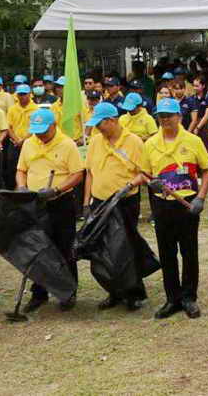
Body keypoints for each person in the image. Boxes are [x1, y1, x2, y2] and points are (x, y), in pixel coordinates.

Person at [142, 98, 208, 320]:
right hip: (162, 205)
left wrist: (201, 197)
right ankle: (172, 298)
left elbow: (207, 170)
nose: (165, 120)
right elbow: (145, 173)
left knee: (189, 251)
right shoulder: (150, 144)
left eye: (169, 115)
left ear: (179, 116)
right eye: (161, 116)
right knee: (167, 252)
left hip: (187, 203)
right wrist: (150, 183)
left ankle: (189, 297)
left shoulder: (193, 141)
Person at [16, 108, 84, 311]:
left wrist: (57, 189)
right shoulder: (29, 143)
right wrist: (22, 187)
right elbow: (21, 170)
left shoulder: (67, 144)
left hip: (60, 203)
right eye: (36, 131)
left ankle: (68, 292)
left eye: (44, 131)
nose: (40, 135)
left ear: (54, 126)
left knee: (64, 248)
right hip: (36, 204)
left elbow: (77, 174)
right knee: (38, 248)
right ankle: (39, 293)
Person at [83, 102, 150, 310]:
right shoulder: (96, 141)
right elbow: (90, 173)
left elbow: (145, 173)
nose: (97, 128)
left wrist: (129, 185)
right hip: (100, 202)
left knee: (126, 247)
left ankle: (133, 293)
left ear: (111, 120)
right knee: (104, 250)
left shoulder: (134, 141)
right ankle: (114, 291)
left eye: (100, 124)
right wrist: (86, 202)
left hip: (125, 202)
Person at [5, 84, 39, 190]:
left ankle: (28, 187)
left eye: (24, 94)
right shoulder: (12, 109)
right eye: (20, 94)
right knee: (12, 167)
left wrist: (23, 140)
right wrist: (16, 140)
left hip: (30, 143)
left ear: (29, 94)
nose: (22, 96)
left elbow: (36, 127)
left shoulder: (36, 109)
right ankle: (14, 189)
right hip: (14, 143)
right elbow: (8, 127)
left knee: (29, 166)